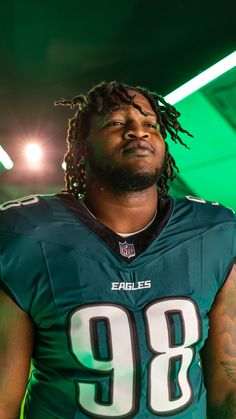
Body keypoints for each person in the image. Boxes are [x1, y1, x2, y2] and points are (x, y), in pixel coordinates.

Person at [0, 81, 236, 419]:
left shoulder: (214, 230)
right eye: (116, 123)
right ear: (81, 147)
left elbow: (229, 385)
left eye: (150, 125)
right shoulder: (27, 234)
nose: (137, 132)